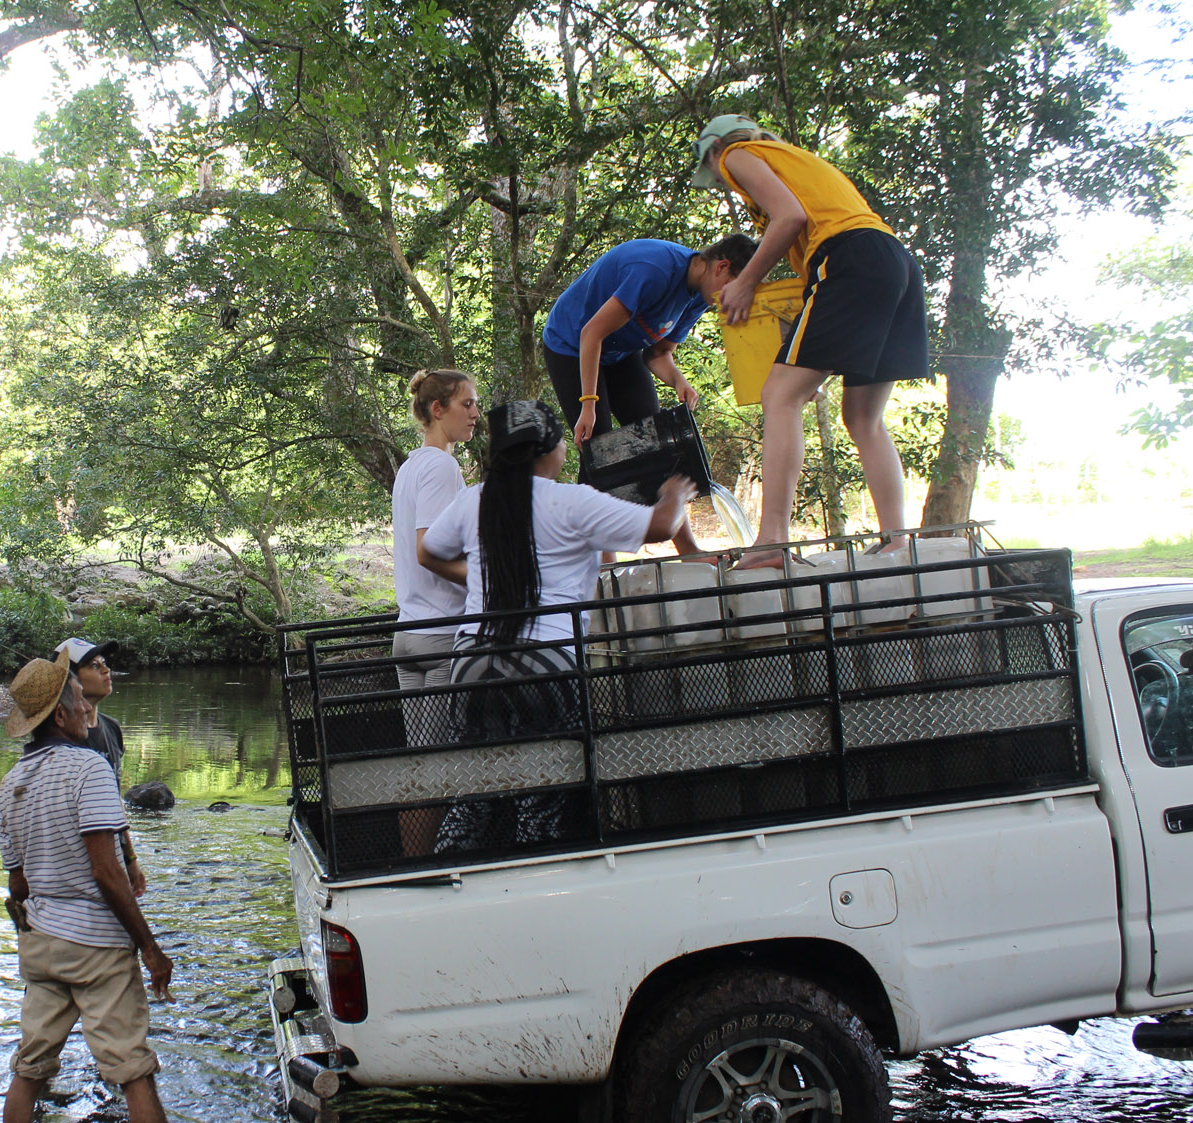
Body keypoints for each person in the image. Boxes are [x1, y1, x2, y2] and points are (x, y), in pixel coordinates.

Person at [418, 399, 694, 850]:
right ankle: (540, 878)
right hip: (544, 662)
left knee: (473, 796)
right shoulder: (571, 501)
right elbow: (662, 526)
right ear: (549, 451)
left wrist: (478, 580)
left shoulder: (473, 500)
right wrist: (676, 494)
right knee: (545, 800)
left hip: (470, 661)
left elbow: (428, 552)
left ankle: (454, 874)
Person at [691, 113, 931, 567]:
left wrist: (744, 284)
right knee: (863, 417)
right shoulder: (796, 160)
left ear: (718, 149)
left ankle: (772, 541)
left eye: (715, 170)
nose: (724, 182)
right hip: (893, 261)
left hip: (848, 258)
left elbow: (790, 217)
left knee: (779, 396)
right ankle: (898, 538)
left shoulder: (740, 153)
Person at [0, 653, 173, 1123]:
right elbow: (105, 871)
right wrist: (150, 948)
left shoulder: (9, 784)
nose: (86, 712)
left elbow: (18, 885)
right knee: (134, 1072)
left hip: (41, 948)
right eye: (79, 702)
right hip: (96, 946)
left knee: (29, 1071)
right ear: (60, 715)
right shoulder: (88, 768)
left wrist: (35, 928)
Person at [391, 369, 479, 727]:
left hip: (408, 635)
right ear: (438, 409)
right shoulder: (442, 465)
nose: (475, 414)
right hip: (440, 634)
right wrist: (485, 581)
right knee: (442, 762)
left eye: (476, 405)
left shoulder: (409, 467)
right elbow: (427, 549)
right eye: (467, 404)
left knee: (421, 761)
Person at [53, 636, 146, 895]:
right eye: (94, 666)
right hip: (74, 866)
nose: (106, 670)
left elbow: (114, 804)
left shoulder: (112, 728)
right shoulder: (60, 734)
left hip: (112, 856)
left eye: (104, 663)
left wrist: (131, 859)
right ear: (70, 680)